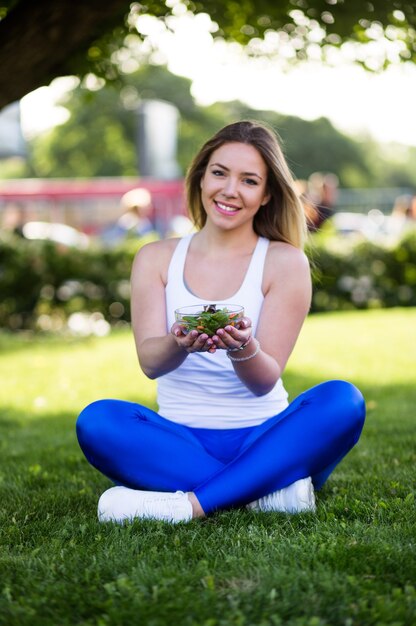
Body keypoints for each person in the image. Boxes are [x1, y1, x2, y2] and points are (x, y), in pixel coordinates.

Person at [76, 120, 366, 524]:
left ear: (266, 195)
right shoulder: (156, 258)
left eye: (249, 181)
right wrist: (178, 344)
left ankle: (191, 504)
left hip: (265, 437)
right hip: (181, 439)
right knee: (98, 420)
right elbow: (150, 363)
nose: (230, 190)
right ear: (200, 179)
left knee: (343, 400)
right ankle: (264, 492)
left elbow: (264, 380)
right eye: (219, 173)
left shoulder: (285, 262)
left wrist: (243, 348)